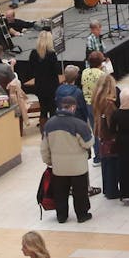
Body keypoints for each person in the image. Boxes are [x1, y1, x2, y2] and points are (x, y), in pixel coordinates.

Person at [40, 95, 95, 223]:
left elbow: (44, 147)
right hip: (78, 167)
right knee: (79, 192)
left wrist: (49, 161)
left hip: (59, 168)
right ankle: (82, 215)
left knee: (61, 193)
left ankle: (61, 216)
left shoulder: (49, 124)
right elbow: (87, 143)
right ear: (73, 107)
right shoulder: (79, 124)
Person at [25, 30, 62, 126]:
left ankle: (44, 131)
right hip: (52, 86)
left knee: (43, 109)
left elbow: (30, 69)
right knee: (53, 108)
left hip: (39, 85)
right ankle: (53, 129)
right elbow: (56, 70)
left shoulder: (33, 53)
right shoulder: (51, 54)